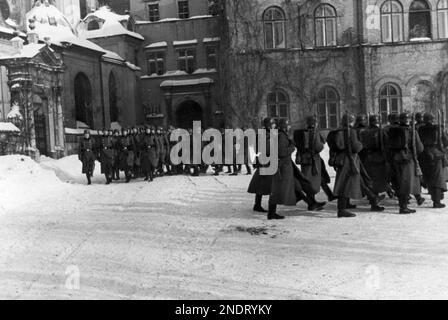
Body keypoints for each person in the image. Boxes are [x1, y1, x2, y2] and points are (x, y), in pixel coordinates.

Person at [267, 119, 326, 220]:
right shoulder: (281, 136)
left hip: (286, 165)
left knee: (298, 185)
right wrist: (292, 147)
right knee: (279, 190)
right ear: (284, 126)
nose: (289, 127)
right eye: (288, 125)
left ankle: (311, 203)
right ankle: (271, 213)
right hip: (283, 166)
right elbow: (281, 152)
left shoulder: (281, 135)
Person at [328, 113, 364, 218]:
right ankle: (341, 209)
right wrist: (361, 144)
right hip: (349, 160)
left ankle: (345, 205)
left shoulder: (336, 132)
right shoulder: (351, 132)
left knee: (345, 182)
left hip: (341, 160)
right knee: (345, 184)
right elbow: (356, 147)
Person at [294, 115, 336, 203]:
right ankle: (311, 201)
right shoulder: (314, 133)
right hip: (313, 160)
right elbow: (318, 147)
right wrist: (322, 144)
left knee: (318, 178)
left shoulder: (300, 133)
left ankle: (329, 195)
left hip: (304, 160)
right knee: (310, 181)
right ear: (314, 123)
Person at [388, 112, 424, 214]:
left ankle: (403, 205)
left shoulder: (393, 130)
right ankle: (403, 207)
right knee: (406, 183)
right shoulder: (412, 131)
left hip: (395, 158)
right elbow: (420, 148)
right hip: (407, 158)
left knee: (399, 182)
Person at [418, 112, 448, 208]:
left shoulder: (420, 129)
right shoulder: (437, 128)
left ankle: (435, 197)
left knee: (429, 177)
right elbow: (445, 141)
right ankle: (437, 201)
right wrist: (442, 149)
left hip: (424, 155)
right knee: (437, 178)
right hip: (435, 154)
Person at [248, 118, 275, 213]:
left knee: (260, 184)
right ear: (269, 125)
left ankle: (257, 204)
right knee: (269, 184)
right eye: (273, 124)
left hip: (262, 161)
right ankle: (265, 206)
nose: (274, 125)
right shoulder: (266, 135)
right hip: (266, 162)